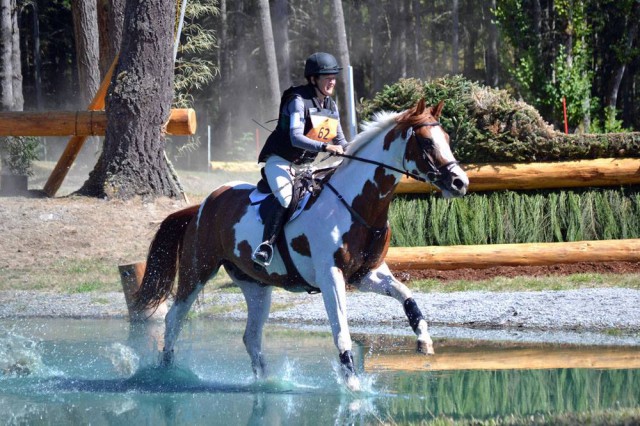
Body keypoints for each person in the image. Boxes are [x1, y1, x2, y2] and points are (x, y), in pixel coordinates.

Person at [252, 52, 349, 267]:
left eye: (334, 77)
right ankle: (266, 245)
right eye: (327, 77)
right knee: (287, 199)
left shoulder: (330, 106)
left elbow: (341, 141)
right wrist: (326, 147)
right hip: (280, 161)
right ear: (313, 79)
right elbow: (296, 138)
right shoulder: (297, 101)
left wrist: (357, 152)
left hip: (306, 166)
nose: (332, 81)